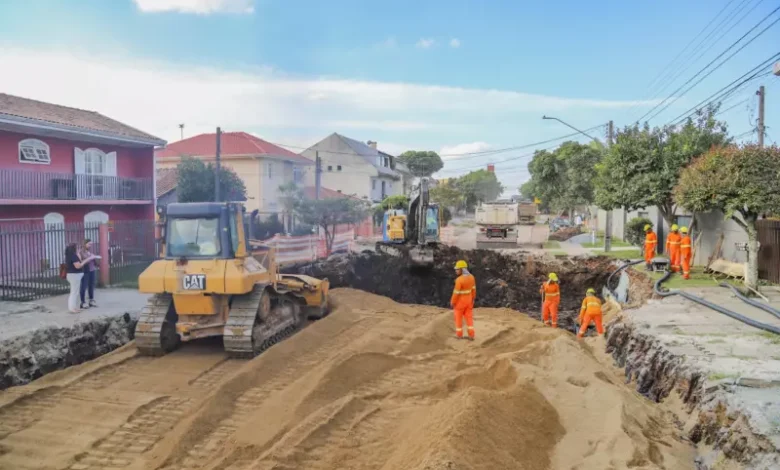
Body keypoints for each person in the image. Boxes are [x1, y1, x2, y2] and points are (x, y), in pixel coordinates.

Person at [64, 243, 97, 313]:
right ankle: (72, 308)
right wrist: (87, 260)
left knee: (74, 292)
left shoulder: (71, 255)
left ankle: (73, 308)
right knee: (74, 293)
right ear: (74, 249)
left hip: (73, 276)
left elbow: (79, 262)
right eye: (77, 248)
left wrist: (81, 257)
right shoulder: (73, 256)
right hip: (74, 276)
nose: (78, 249)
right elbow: (78, 266)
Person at [451, 260, 476, 340]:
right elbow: (473, 289)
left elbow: (456, 293)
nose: (456, 270)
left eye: (457, 269)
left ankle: (459, 335)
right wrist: (473, 299)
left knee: (458, 318)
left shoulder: (459, 280)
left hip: (460, 303)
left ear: (462, 269)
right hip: (469, 301)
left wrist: (452, 302)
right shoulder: (472, 277)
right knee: (469, 318)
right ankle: (471, 335)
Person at [79, 239, 98, 309]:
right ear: (85, 244)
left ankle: (91, 300)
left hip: (92, 270)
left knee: (91, 285)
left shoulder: (89, 252)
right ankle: (83, 302)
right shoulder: (81, 252)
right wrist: (90, 258)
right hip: (85, 271)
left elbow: (93, 261)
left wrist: (95, 258)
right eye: (89, 244)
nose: (90, 245)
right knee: (83, 286)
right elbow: (81, 261)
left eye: (91, 244)